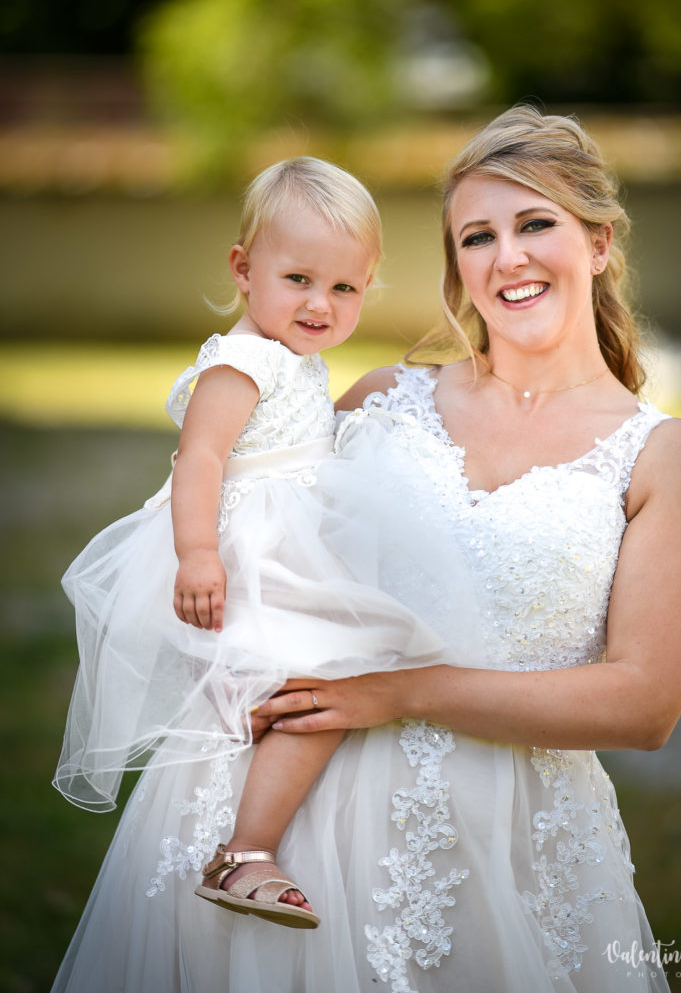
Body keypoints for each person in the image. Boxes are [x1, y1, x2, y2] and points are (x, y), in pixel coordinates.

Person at [52, 107, 681, 993]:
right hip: (279, 830)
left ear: (597, 243)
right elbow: (252, 538)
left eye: (534, 224)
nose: (507, 257)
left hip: (497, 841)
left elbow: (644, 704)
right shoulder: (377, 400)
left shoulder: (663, 453)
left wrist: (398, 693)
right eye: (476, 237)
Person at [53, 156, 455, 933]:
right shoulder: (241, 361)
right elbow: (198, 459)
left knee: (313, 680)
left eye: (344, 288)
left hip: (286, 545)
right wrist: (199, 554)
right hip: (250, 553)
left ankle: (251, 815)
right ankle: (247, 853)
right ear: (244, 270)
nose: (320, 303)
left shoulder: (292, 360)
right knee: (330, 679)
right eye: (299, 279)